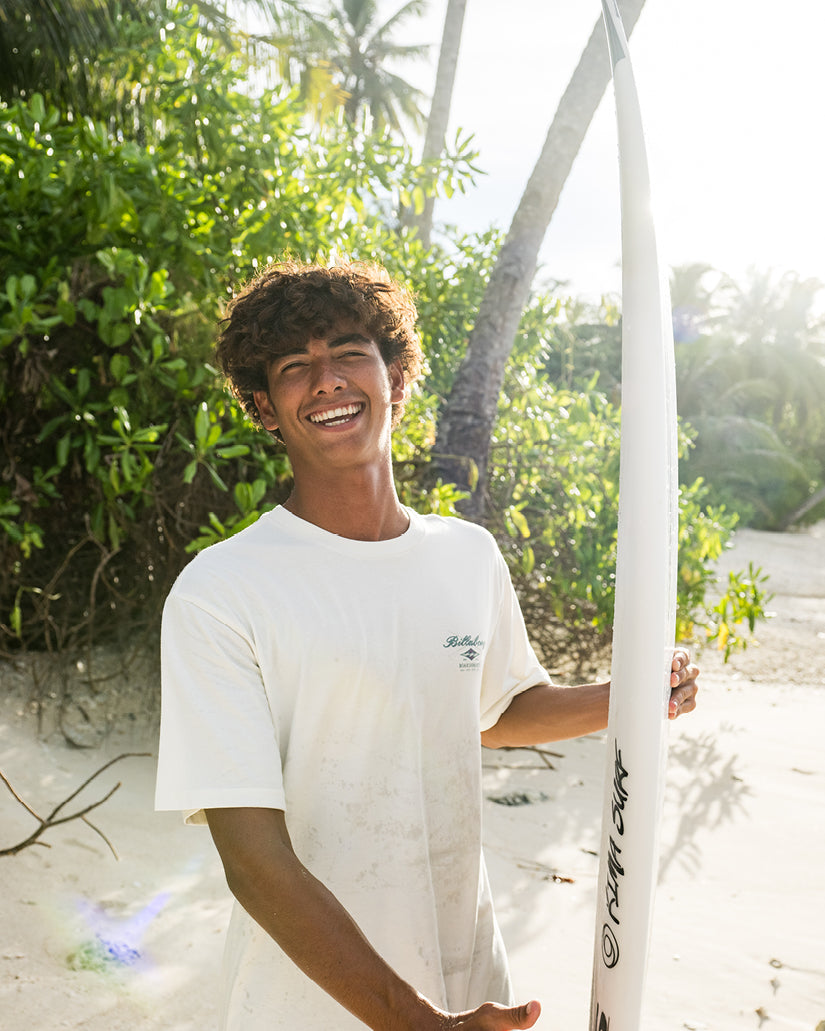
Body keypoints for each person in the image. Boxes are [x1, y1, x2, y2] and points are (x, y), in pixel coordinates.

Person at [155, 261, 698, 1031]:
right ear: (263, 408)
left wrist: (628, 698)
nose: (326, 381)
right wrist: (415, 1023)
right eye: (292, 368)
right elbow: (254, 862)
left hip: (468, 973)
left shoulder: (465, 555)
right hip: (309, 1004)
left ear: (396, 376)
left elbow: (495, 708)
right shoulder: (222, 591)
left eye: (348, 353)